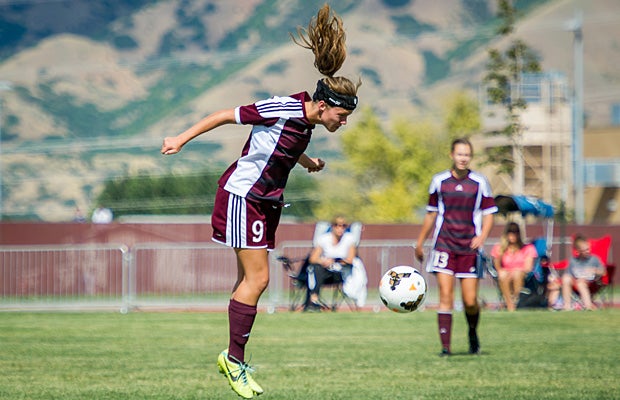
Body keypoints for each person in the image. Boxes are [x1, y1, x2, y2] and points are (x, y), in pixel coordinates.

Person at [160, 5, 360, 398]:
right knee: (259, 279)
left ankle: (234, 357)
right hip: (244, 196)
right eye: (341, 115)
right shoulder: (282, 107)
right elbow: (224, 114)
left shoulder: (307, 121)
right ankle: (234, 362)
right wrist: (180, 139)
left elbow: (284, 146)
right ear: (323, 106)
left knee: (247, 283)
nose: (343, 122)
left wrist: (307, 162)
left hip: (266, 202)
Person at [415, 137, 497, 356]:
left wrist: (482, 236)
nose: (463, 158)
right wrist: (420, 242)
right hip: (444, 244)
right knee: (445, 296)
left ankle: (472, 332)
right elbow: (431, 213)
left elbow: (489, 214)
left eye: (467, 155)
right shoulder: (439, 181)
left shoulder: (480, 182)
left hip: (469, 247)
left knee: (470, 301)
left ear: (471, 157)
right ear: (452, 155)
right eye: (460, 154)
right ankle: (446, 347)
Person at [305, 216, 358, 311]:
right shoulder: (324, 239)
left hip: (341, 273)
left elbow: (350, 259)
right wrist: (324, 261)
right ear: (332, 226)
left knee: (318, 271)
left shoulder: (350, 239)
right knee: (317, 267)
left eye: (343, 226)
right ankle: (314, 298)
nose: (340, 228)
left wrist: (334, 260)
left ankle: (313, 300)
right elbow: (313, 258)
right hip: (325, 273)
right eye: (337, 225)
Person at [490, 222, 538, 311]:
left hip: (521, 274)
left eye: (516, 232)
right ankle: (510, 304)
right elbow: (497, 265)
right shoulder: (499, 248)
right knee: (503, 274)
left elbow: (528, 267)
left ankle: (515, 299)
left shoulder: (528, 248)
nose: (513, 235)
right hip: (506, 274)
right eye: (510, 232)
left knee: (517, 273)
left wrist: (514, 272)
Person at [561, 235, 606, 311]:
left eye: (588, 249)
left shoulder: (594, 259)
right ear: (578, 251)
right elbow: (569, 274)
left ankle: (588, 306)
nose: (587, 251)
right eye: (584, 250)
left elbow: (604, 272)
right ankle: (567, 306)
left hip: (591, 283)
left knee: (580, 282)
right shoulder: (573, 261)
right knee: (566, 278)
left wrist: (595, 270)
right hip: (576, 281)